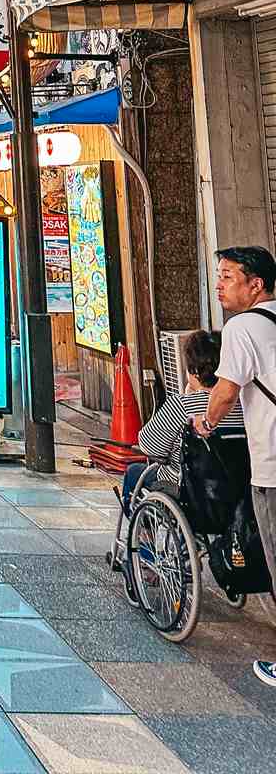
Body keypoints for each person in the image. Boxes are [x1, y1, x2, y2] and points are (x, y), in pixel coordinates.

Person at [193, 245, 276, 688]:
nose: (220, 285)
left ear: (255, 285)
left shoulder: (243, 327)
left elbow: (225, 393)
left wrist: (206, 423)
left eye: (228, 277)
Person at [120, 329, 243, 509]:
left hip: (190, 492)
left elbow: (149, 446)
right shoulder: (244, 405)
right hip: (237, 490)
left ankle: (143, 535)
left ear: (193, 371)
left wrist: (188, 395)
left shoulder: (182, 405)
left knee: (133, 473)